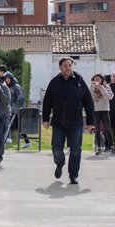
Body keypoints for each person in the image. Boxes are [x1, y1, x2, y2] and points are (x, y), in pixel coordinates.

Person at [42, 57, 94, 185]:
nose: (68, 68)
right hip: (58, 121)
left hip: (75, 121)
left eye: (70, 65)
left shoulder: (79, 81)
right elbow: (47, 102)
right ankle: (60, 163)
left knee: (76, 149)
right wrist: (45, 119)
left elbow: (88, 102)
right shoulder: (54, 82)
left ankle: (73, 175)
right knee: (56, 149)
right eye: (65, 65)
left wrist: (90, 121)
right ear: (60, 67)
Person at [89, 74, 115, 155]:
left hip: (105, 110)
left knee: (107, 129)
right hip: (96, 111)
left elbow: (108, 97)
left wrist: (101, 88)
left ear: (102, 80)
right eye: (95, 79)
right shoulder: (92, 87)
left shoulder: (106, 87)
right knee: (97, 130)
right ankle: (99, 147)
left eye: (98, 79)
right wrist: (93, 88)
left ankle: (112, 147)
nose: (97, 81)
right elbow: (90, 98)